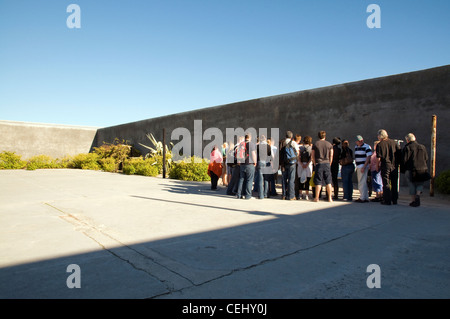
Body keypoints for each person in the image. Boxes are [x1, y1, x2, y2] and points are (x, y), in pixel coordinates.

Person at [402, 133, 430, 207]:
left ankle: (413, 200)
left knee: (411, 184)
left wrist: (403, 168)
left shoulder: (407, 147)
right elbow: (426, 158)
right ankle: (418, 195)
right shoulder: (422, 147)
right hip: (422, 168)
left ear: (407, 140)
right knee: (420, 183)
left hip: (411, 169)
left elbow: (404, 160)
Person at [376, 129, 401, 205]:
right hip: (394, 165)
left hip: (385, 165)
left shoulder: (380, 145)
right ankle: (394, 199)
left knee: (386, 183)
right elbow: (399, 153)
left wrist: (377, 166)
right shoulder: (394, 143)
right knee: (394, 183)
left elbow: (378, 158)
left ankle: (387, 200)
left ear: (380, 136)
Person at [311, 131, 334, 202]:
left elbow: (312, 155)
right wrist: (330, 163)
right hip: (327, 163)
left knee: (318, 181)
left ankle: (317, 198)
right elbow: (331, 155)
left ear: (318, 136)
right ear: (325, 136)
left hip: (319, 163)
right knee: (328, 181)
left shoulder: (316, 144)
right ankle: (330, 198)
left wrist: (315, 163)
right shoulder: (329, 144)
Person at [236, 132, 257, 199]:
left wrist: (239, 162)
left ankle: (239, 194)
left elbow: (238, 154)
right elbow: (253, 154)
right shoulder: (251, 144)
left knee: (241, 179)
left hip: (242, 164)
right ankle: (248, 195)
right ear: (250, 137)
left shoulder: (241, 144)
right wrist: (255, 162)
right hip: (249, 164)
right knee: (249, 180)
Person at [279, 131, 298, 200]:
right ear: (291, 137)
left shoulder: (281, 142)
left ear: (285, 136)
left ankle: (284, 195)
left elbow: (279, 153)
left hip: (283, 164)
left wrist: (279, 164)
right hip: (292, 163)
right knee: (291, 179)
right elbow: (297, 152)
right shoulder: (293, 143)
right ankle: (291, 196)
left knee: (284, 179)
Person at [354, 135, 372, 203]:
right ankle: (365, 197)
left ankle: (362, 197)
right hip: (359, 166)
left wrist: (364, 166)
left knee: (362, 182)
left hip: (363, 166)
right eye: (358, 141)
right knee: (362, 182)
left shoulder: (367, 146)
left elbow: (368, 156)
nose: (359, 142)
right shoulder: (356, 147)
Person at [297, 135, 313, 200]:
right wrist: (307, 164)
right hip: (308, 165)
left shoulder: (300, 148)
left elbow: (298, 156)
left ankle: (300, 194)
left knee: (300, 179)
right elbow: (311, 157)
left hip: (301, 165)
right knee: (307, 180)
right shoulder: (311, 148)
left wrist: (301, 163)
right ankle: (307, 194)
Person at [256, 135, 272, 199]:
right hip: (266, 162)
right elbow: (270, 155)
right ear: (265, 139)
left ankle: (261, 195)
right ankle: (266, 194)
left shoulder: (257, 146)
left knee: (260, 179)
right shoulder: (268, 146)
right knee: (266, 179)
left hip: (260, 162)